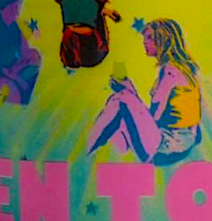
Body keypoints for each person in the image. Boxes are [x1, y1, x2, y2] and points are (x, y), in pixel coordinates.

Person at [86, 19, 201, 165]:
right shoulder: (185, 68)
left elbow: (154, 117)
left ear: (163, 40)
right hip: (183, 144)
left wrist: (129, 94)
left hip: (167, 146)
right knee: (122, 112)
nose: (144, 42)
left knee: (120, 99)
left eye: (149, 38)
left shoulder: (169, 70)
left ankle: (87, 151)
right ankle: (104, 156)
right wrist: (131, 93)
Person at [0, 0, 41, 105]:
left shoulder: (15, 27)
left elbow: (25, 50)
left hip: (15, 70)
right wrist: (17, 76)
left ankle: (22, 94)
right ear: (6, 6)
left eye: (19, 6)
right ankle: (20, 95)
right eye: (15, 7)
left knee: (35, 55)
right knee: (0, 87)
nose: (18, 11)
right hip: (3, 75)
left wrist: (27, 58)